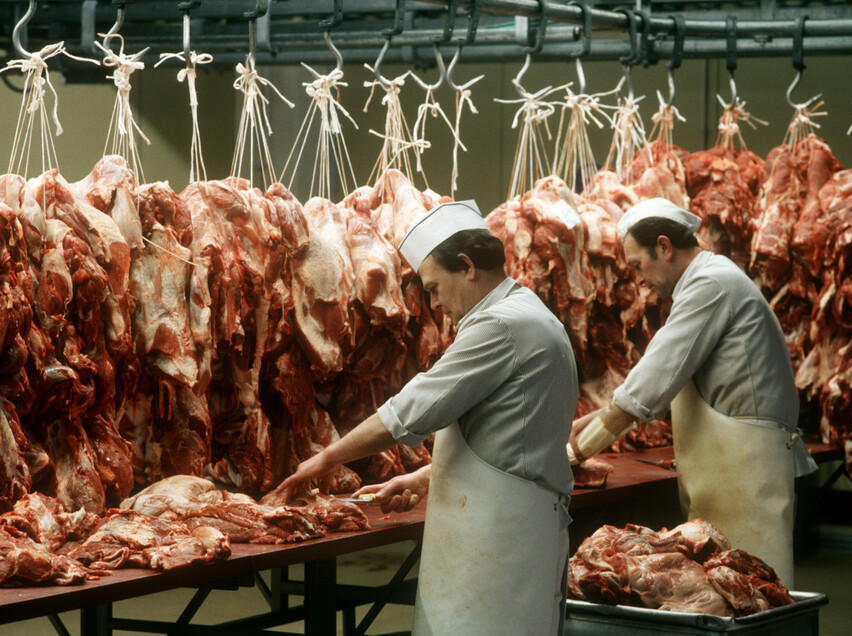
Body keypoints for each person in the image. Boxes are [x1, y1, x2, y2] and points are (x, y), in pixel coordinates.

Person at [274, 200, 578, 636]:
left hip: (499, 547)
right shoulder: (527, 310)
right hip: (506, 532)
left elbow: (411, 409)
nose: (434, 305)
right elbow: (508, 440)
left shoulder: (501, 324)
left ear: (468, 267)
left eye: (434, 288)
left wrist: (326, 459)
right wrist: (422, 480)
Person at [567, 197, 817, 588]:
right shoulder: (706, 280)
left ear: (664, 247)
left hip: (747, 473)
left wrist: (575, 452)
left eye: (637, 265)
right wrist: (581, 425)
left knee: (751, 596)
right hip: (731, 469)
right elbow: (657, 384)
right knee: (727, 595)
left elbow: (649, 384)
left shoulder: (711, 284)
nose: (638, 280)